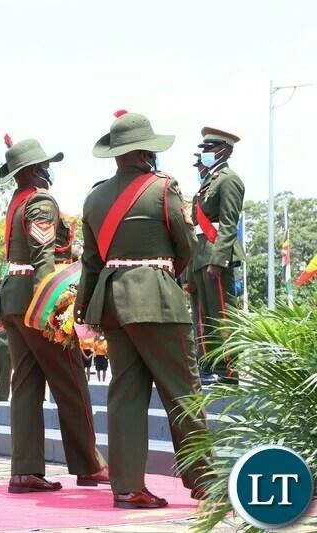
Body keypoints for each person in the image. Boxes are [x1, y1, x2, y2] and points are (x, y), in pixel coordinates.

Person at [76, 110, 210, 508]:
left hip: (113, 302)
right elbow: (186, 245)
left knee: (126, 395)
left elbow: (90, 262)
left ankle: (127, 486)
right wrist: (165, 277)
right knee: (183, 391)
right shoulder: (163, 188)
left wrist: (86, 311)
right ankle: (204, 478)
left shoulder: (94, 197)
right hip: (157, 300)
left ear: (116, 153)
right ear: (146, 151)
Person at [0, 137, 108, 494]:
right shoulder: (40, 201)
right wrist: (51, 307)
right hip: (34, 300)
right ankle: (89, 465)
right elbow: (43, 257)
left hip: (13, 298)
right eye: (45, 166)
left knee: (26, 385)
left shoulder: (17, 201)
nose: (49, 171)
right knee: (71, 380)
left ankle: (25, 469)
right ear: (32, 171)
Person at [188, 127, 244, 385]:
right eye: (205, 149)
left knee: (221, 315)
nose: (206, 153)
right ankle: (207, 366)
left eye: (209, 149)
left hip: (215, 255)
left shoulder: (229, 179)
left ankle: (227, 371)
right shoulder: (208, 182)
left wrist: (218, 259)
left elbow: (229, 224)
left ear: (225, 150)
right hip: (200, 255)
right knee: (200, 316)